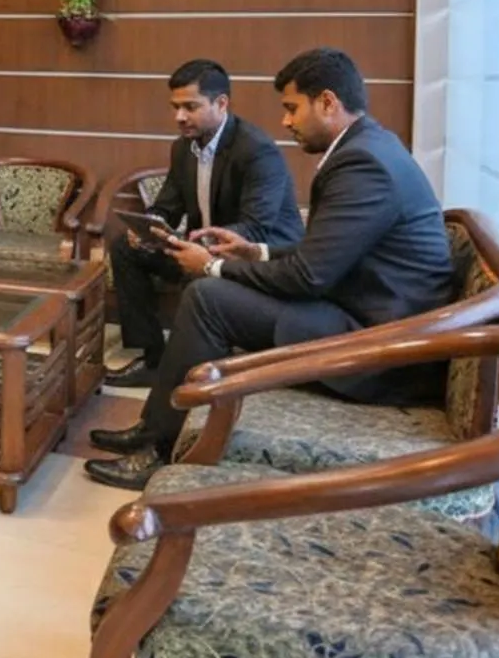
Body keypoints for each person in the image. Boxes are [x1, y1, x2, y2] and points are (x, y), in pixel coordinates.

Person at [85, 47, 457, 490]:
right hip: (360, 311)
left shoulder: (363, 165)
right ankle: (154, 430)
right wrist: (254, 253)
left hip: (380, 347)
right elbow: (323, 256)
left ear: (327, 102)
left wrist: (214, 266)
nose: (285, 121)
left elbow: (309, 275)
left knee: (207, 297)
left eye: (292, 108)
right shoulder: (371, 148)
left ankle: (160, 449)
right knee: (202, 291)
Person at [105, 58, 304, 388]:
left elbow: (255, 227)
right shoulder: (183, 148)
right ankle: (154, 359)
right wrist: (150, 226)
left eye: (190, 107)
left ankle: (193, 366)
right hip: (201, 247)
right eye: (175, 107)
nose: (179, 117)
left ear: (221, 103)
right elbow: (167, 206)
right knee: (125, 248)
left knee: (198, 278)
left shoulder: (257, 150)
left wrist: (201, 253)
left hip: (257, 257)